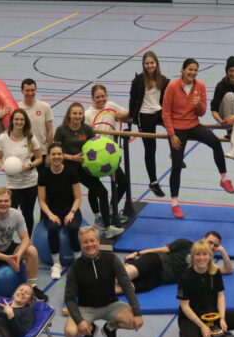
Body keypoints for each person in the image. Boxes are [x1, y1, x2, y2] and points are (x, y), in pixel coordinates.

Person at [162, 58, 234, 218]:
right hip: (177, 129)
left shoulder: (200, 86)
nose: (192, 73)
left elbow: (201, 113)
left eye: (195, 70)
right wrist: (172, 134)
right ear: (183, 70)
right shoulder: (173, 86)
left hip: (193, 125)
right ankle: (174, 203)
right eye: (190, 69)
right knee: (176, 164)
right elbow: (166, 113)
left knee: (216, 143)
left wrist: (199, 104)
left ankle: (224, 178)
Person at [64, 226, 144, 337]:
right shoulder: (75, 267)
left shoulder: (111, 259)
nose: (89, 244)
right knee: (70, 332)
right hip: (85, 308)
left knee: (134, 321)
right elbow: (69, 298)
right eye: (85, 242)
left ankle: (109, 329)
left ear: (98, 241)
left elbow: (127, 286)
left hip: (110, 305)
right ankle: (89, 331)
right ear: (80, 244)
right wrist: (79, 321)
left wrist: (137, 312)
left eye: (92, 240)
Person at [54, 102, 122, 238]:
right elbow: (55, 152)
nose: (77, 116)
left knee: (102, 192)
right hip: (67, 169)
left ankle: (107, 228)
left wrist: (109, 170)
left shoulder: (87, 129)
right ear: (69, 114)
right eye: (74, 113)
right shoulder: (61, 130)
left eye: (80, 113)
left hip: (85, 169)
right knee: (68, 198)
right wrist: (72, 157)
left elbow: (97, 149)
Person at [0, 188, 47, 301]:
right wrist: (7, 258)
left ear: (10, 201)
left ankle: (33, 287)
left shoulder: (16, 215)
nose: (3, 204)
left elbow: (25, 238)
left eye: (6, 201)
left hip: (7, 247)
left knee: (32, 251)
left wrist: (18, 254)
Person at [121, 229, 234, 293]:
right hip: (155, 261)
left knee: (124, 289)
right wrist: (137, 253)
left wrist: (222, 250)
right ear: (203, 239)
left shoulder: (204, 264)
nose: (212, 246)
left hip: (157, 280)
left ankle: (103, 289)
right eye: (210, 242)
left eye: (216, 245)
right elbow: (161, 249)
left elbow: (228, 270)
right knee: (122, 278)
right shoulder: (185, 243)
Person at [85, 84, 131, 226]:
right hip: (94, 156)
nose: (101, 99)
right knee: (94, 188)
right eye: (97, 97)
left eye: (103, 96)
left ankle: (111, 209)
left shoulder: (111, 106)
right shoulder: (88, 114)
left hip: (110, 156)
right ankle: (98, 215)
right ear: (92, 98)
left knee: (123, 183)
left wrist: (122, 116)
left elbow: (127, 113)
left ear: (107, 96)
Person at [128, 51, 171, 197]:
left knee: (174, 128)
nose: (150, 65)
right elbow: (132, 99)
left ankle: (175, 154)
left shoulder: (163, 80)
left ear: (156, 63)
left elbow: (168, 100)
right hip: (144, 115)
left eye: (152, 63)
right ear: (143, 65)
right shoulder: (138, 80)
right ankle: (153, 182)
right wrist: (130, 117)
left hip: (159, 112)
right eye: (147, 63)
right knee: (150, 148)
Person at [37, 142, 82, 280]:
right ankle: (56, 264)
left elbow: (78, 198)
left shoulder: (71, 172)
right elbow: (42, 201)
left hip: (70, 208)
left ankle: (78, 261)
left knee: (73, 227)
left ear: (62, 155)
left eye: (59, 154)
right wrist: (50, 215)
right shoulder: (44, 175)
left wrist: (72, 213)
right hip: (52, 209)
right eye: (53, 154)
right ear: (49, 157)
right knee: (53, 228)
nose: (56, 157)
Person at [0, 108, 43, 235]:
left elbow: (39, 158)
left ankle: (26, 242)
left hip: (30, 182)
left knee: (28, 213)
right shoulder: (3, 138)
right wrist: (3, 167)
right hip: (12, 184)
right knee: (9, 214)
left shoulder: (30, 138)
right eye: (16, 119)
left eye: (21, 119)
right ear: (12, 121)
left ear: (25, 121)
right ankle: (8, 241)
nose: (19, 122)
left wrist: (30, 165)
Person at [0, 78, 54, 159]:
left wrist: (50, 152)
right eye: (27, 90)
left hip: (42, 152)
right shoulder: (15, 108)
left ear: (35, 90)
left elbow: (50, 132)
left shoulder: (45, 107)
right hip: (23, 154)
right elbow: (0, 131)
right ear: (22, 91)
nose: (30, 93)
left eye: (32, 90)